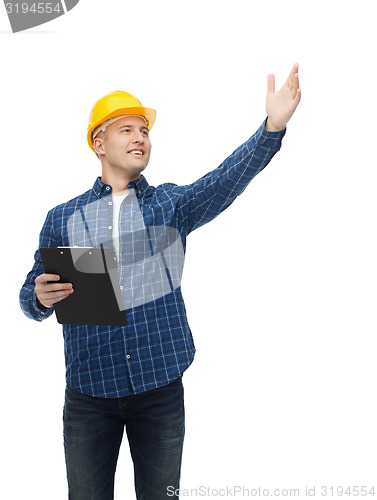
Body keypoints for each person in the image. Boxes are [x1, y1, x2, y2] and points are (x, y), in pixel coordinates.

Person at [19, 64, 301, 500]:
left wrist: (272, 128)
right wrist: (38, 296)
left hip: (160, 392)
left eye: (144, 131)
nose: (139, 138)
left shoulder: (171, 204)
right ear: (98, 143)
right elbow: (30, 292)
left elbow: (226, 180)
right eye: (126, 129)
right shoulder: (62, 218)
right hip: (89, 397)